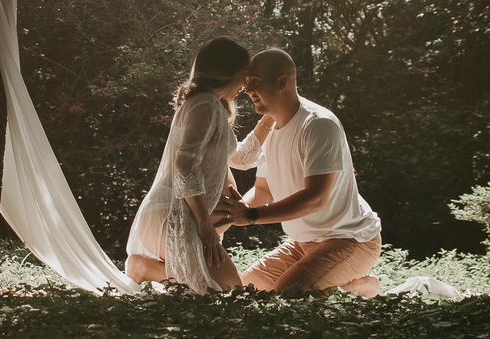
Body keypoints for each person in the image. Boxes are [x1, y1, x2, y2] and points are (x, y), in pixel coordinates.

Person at [215, 48, 382, 296]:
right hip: (301, 244)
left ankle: (360, 287)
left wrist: (250, 216)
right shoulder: (270, 130)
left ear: (282, 82)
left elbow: (316, 198)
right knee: (239, 292)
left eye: (256, 82)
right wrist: (231, 214)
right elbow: (262, 190)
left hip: (349, 240)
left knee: (284, 298)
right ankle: (333, 285)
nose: (247, 89)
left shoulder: (318, 125)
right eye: (247, 81)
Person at [125, 36, 268, 294]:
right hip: (172, 215)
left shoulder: (210, 105)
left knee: (228, 292)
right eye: (244, 75)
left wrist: (270, 115)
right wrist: (204, 225)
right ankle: (143, 268)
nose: (246, 84)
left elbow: (240, 158)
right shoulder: (206, 104)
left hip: (178, 215)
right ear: (227, 71)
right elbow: (185, 166)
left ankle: (148, 267)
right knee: (227, 293)